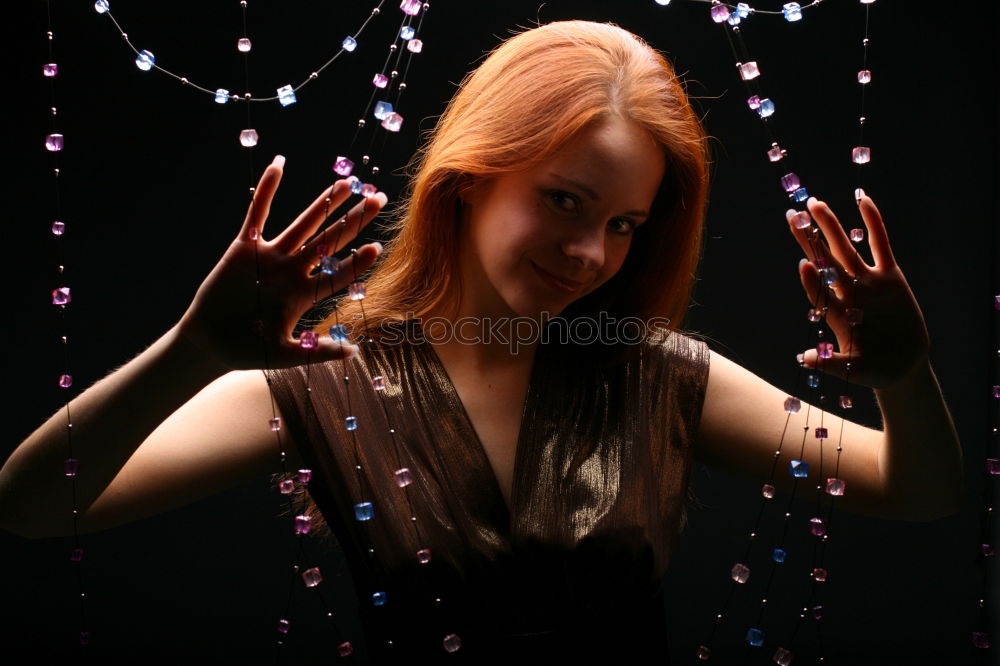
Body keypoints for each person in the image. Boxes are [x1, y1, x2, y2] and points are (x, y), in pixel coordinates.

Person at [0, 20, 961, 664]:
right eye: (564, 201)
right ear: (468, 178)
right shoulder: (323, 379)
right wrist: (193, 353)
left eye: (626, 225)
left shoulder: (660, 378)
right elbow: (36, 507)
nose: (591, 253)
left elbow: (920, 494)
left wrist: (907, 379)